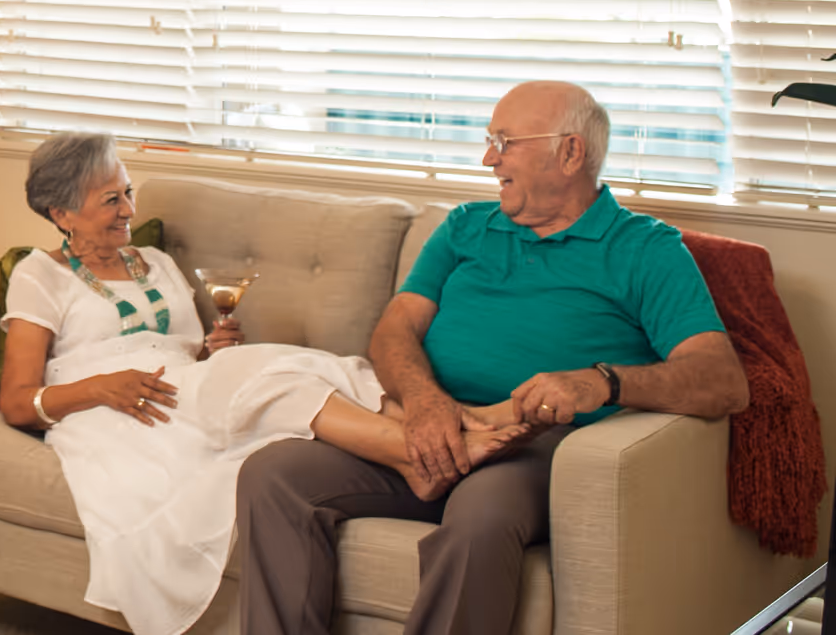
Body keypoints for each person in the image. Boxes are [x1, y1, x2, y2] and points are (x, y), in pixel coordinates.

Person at [235, 81, 749, 635]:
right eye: (488, 140)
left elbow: (723, 380)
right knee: (275, 472)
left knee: (481, 515)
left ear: (570, 152)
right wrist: (428, 403)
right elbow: (395, 329)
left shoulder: (646, 249)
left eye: (505, 141)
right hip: (423, 423)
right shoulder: (466, 227)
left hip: (534, 445)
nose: (488, 158)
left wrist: (603, 382)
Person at [0, 132, 528, 635]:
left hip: (180, 387)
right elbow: (18, 403)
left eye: (129, 193)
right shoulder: (38, 276)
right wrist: (101, 388)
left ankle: (444, 429)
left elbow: (185, 352)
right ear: (61, 213)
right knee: (274, 375)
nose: (130, 211)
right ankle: (426, 444)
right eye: (111, 200)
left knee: (299, 366)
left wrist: (214, 349)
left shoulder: (154, 262)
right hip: (117, 415)